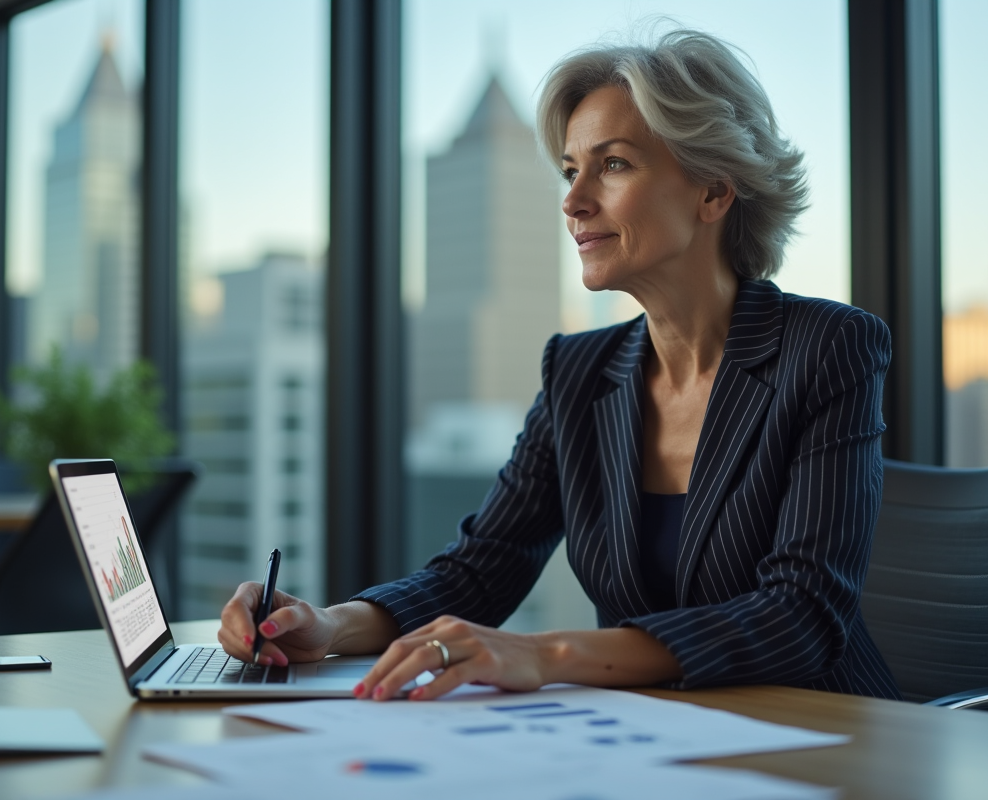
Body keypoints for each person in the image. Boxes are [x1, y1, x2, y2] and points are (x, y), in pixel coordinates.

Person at [219, 28, 902, 703]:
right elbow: (483, 567)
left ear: (714, 192)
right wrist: (331, 625)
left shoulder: (828, 349)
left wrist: (547, 654)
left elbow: (802, 617)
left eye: (613, 165)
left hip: (822, 736)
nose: (574, 202)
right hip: (660, 743)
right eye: (571, 171)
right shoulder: (579, 371)